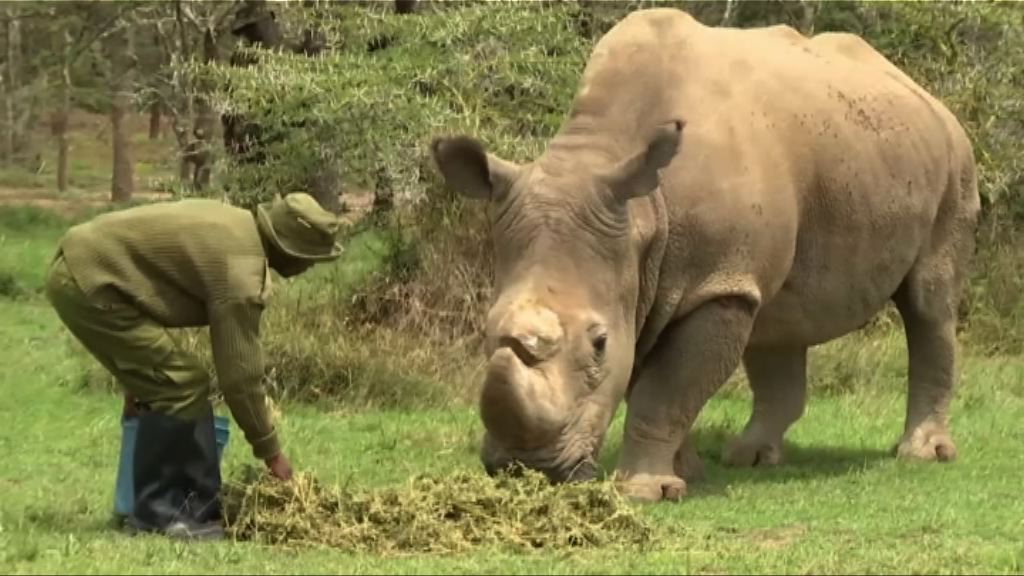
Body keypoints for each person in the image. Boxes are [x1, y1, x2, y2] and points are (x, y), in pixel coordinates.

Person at [44, 192, 343, 540]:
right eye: (311, 259)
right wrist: (272, 454)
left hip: (80, 267)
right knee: (182, 383)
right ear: (292, 251)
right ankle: (159, 512)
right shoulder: (241, 271)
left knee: (167, 385)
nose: (309, 267)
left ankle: (174, 504)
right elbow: (241, 378)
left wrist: (137, 380)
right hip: (89, 281)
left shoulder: (236, 224)